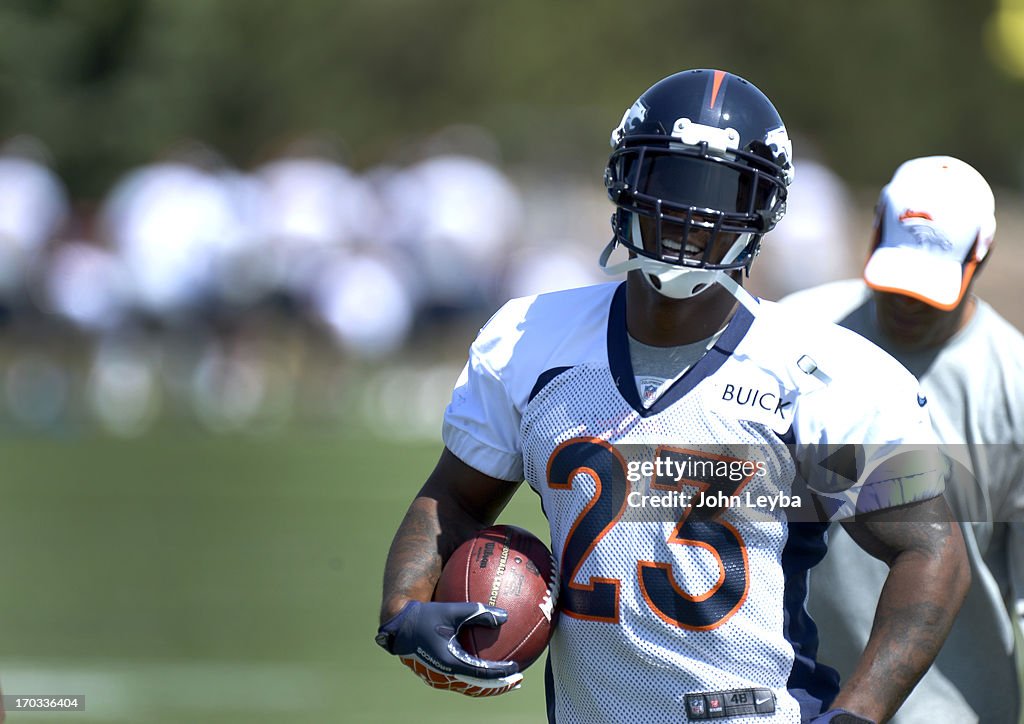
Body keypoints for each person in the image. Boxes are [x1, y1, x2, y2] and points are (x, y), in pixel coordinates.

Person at [375, 69, 971, 724]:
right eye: (669, 181)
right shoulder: (530, 340)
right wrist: (405, 611)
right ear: (626, 179)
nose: (689, 214)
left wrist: (858, 717)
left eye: (719, 190)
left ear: (763, 207)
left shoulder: (821, 376)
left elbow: (933, 552)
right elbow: (453, 500)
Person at [780, 155, 1024, 723]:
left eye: (928, 286)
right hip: (803, 702)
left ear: (979, 256)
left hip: (957, 711)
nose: (908, 303)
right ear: (873, 232)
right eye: (898, 280)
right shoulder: (795, 339)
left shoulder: (1013, 385)